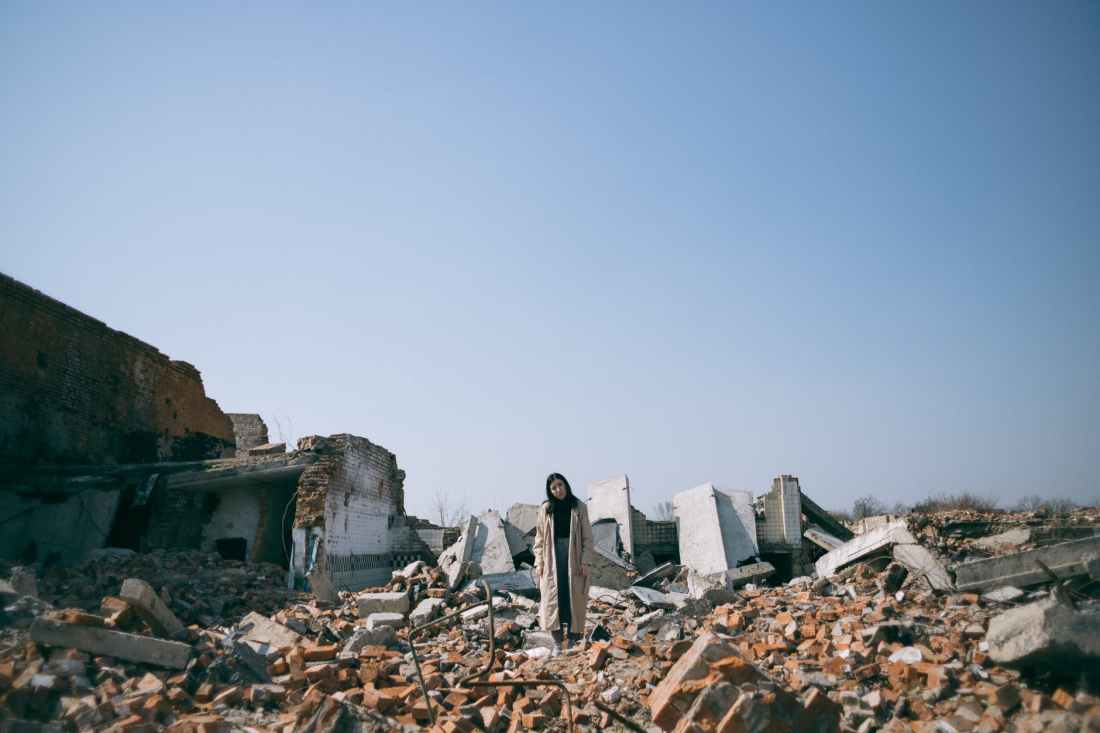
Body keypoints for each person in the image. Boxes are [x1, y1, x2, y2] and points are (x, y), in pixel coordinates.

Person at [532, 472, 594, 653]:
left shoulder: (579, 507)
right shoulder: (546, 509)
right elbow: (539, 538)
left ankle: (574, 640)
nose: (558, 490)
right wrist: (539, 562)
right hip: (552, 556)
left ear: (566, 485)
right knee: (553, 599)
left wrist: (585, 561)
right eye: (553, 488)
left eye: (560, 485)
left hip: (573, 556)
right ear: (549, 491)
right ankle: (558, 643)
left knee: (574, 597)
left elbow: (588, 538)